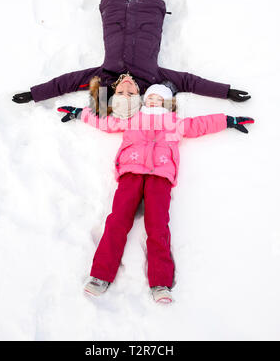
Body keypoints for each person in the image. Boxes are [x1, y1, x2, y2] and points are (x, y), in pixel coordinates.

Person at [57, 85, 254, 303]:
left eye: (157, 98)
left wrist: (228, 120)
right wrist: (79, 113)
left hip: (160, 175)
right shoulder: (134, 118)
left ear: (166, 102)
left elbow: (200, 124)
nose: (152, 101)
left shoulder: (175, 122)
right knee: (117, 220)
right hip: (131, 172)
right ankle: (100, 275)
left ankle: (160, 283)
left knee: (157, 225)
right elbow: (106, 122)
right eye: (149, 97)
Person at [12, 0, 251, 115]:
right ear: (141, 94)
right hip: (149, 15)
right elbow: (190, 82)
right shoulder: (153, 78)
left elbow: (67, 81)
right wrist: (226, 91)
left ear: (112, 92)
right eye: (132, 93)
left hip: (115, 13)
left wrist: (35, 94)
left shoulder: (103, 75)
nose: (127, 88)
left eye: (120, 93)